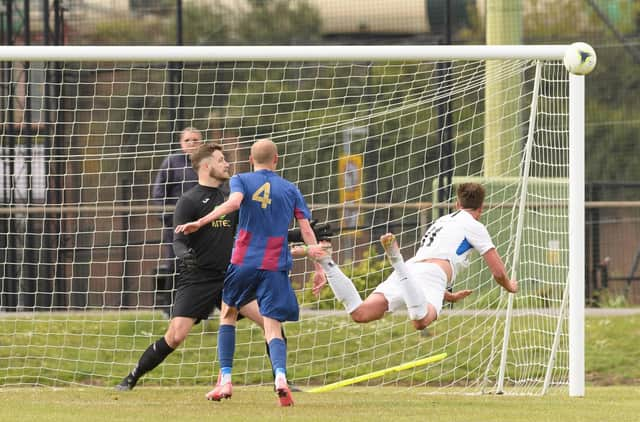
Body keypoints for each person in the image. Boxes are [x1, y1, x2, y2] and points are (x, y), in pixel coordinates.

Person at [175, 138, 325, 407]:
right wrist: (318, 266)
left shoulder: (241, 180)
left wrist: (200, 221)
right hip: (275, 265)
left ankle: (226, 380)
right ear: (276, 159)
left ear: (250, 160)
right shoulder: (291, 189)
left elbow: (233, 204)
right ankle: (280, 376)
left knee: (228, 314)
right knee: (272, 324)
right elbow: (306, 229)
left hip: (243, 261)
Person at [116, 143, 265, 391]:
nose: (226, 164)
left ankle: (282, 379)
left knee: (268, 321)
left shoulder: (231, 199)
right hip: (197, 279)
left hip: (229, 277)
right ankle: (132, 376)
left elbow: (256, 232)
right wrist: (186, 256)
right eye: (220, 160)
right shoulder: (189, 201)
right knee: (175, 336)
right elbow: (178, 241)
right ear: (206, 166)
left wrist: (298, 235)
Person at [299, 182, 518, 331]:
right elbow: (498, 272)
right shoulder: (474, 225)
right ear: (481, 208)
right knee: (421, 321)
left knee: (360, 313)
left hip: (412, 270)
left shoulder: (442, 221)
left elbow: (429, 264)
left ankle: (326, 261)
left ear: (457, 204)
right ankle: (397, 261)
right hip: (429, 274)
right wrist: (510, 285)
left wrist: (446, 295)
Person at [152, 127, 204, 271]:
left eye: (195, 140)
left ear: (201, 143)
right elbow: (159, 191)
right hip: (176, 223)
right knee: (176, 263)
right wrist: (167, 216)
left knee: (202, 262)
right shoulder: (172, 162)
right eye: (187, 140)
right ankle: (174, 292)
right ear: (181, 143)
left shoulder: (207, 162)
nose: (191, 143)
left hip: (202, 223)